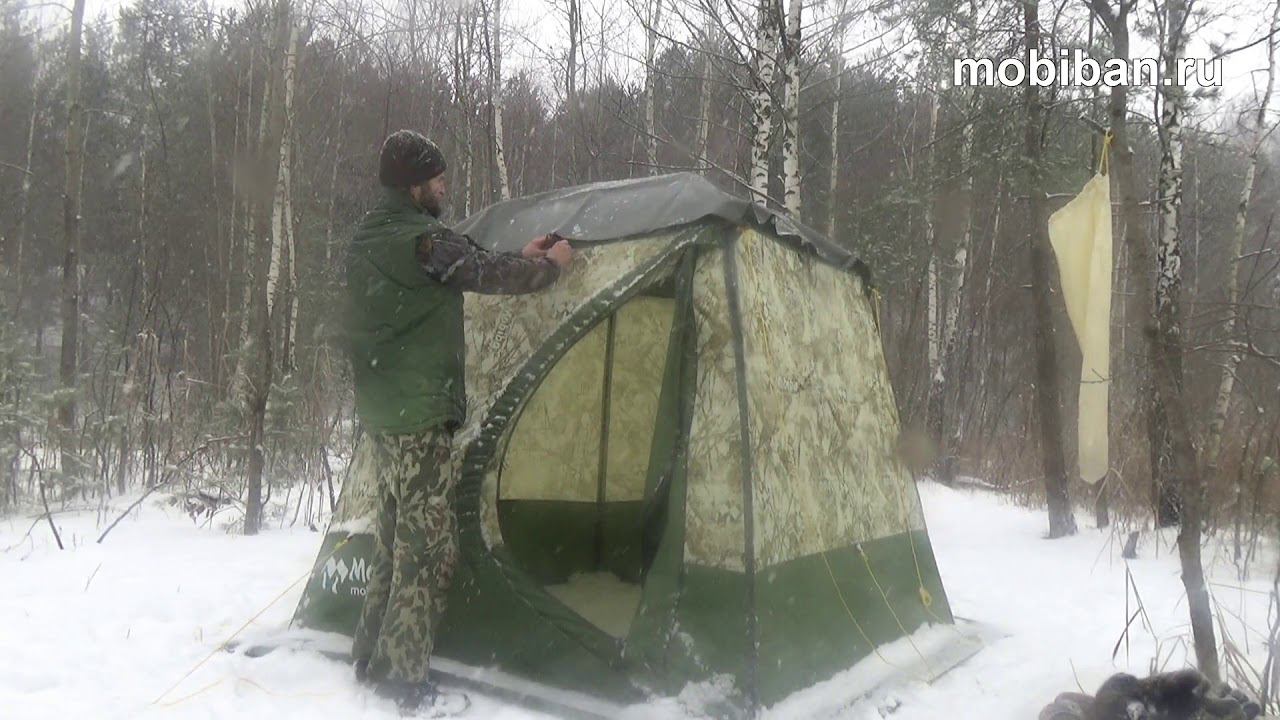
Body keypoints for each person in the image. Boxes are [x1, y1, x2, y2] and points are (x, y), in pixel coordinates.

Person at [345, 129, 573, 713]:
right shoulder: (422, 241)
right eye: (437, 179)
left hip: (380, 412)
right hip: (418, 414)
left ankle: (368, 654)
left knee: (394, 537)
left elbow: (461, 261)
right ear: (413, 184)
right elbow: (477, 273)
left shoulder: (372, 235)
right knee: (428, 549)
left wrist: (514, 254)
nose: (445, 186)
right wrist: (548, 269)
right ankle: (403, 680)